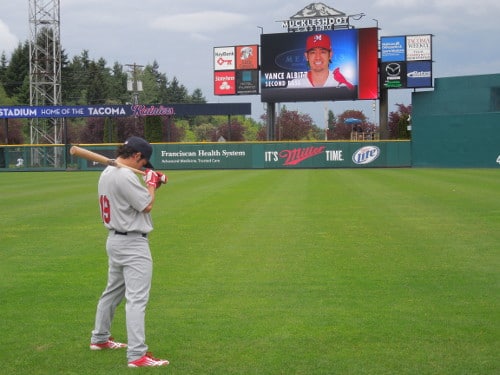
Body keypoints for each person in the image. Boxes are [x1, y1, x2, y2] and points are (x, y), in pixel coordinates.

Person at [89, 136, 169, 368]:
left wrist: (155, 182)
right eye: (143, 163)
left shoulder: (108, 171)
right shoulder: (124, 174)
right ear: (136, 155)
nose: (143, 167)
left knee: (112, 292)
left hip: (115, 239)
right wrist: (152, 185)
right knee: (136, 299)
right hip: (133, 243)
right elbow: (146, 205)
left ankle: (100, 338)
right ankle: (137, 355)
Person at [288, 33, 354, 89]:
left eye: (323, 52)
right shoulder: (294, 85)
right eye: (313, 52)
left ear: (330, 55)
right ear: (306, 56)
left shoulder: (346, 84)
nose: (318, 57)